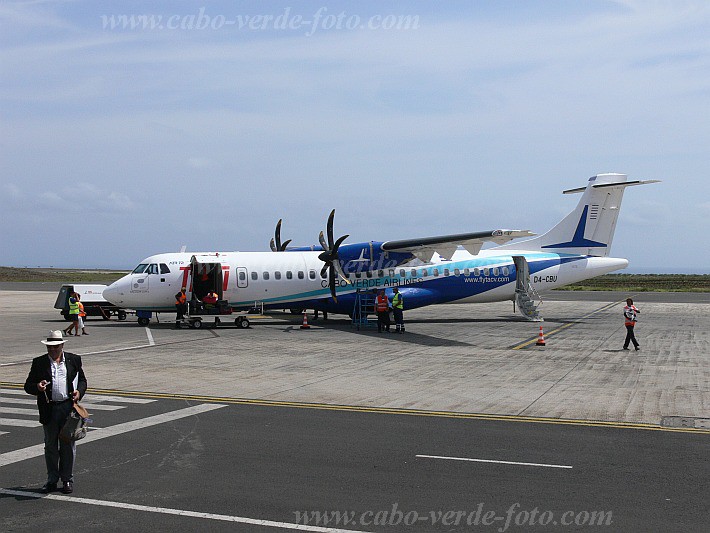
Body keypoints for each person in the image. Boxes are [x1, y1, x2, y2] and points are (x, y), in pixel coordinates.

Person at [24, 330, 87, 495]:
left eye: (55, 347)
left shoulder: (73, 360)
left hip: (67, 408)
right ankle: (52, 479)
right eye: (49, 347)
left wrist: (79, 392)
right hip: (49, 409)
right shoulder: (39, 363)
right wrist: (37, 387)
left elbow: (82, 380)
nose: (52, 350)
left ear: (62, 345)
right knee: (50, 446)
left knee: (68, 445)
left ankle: (67, 479)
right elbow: (27, 385)